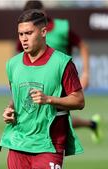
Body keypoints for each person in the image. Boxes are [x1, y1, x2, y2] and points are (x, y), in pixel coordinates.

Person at [0, 9, 84, 169]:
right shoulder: (13, 64)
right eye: (21, 34)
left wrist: (50, 99)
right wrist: (9, 110)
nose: (24, 39)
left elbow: (79, 101)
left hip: (49, 142)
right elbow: (17, 98)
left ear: (43, 32)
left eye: (29, 33)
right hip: (20, 139)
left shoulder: (62, 63)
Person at [17, 0, 102, 143]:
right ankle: (91, 124)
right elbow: (21, 57)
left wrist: (86, 73)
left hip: (60, 80)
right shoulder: (27, 33)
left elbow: (83, 46)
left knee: (56, 115)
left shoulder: (61, 28)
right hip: (38, 81)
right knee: (51, 115)